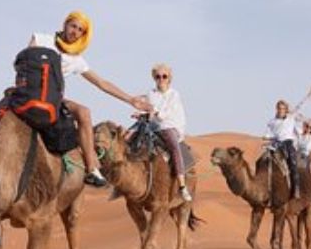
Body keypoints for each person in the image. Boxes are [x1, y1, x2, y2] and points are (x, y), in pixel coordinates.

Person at [28, 11, 152, 187]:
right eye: (73, 26)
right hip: (30, 92)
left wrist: (130, 99)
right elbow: (25, 63)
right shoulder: (41, 40)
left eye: (80, 30)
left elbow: (101, 83)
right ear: (65, 24)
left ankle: (92, 168)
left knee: (84, 112)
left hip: (53, 99)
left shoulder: (76, 60)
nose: (75, 31)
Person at [145, 63, 192, 202]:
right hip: (153, 125)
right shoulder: (151, 93)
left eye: (164, 76)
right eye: (158, 76)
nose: (161, 79)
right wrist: (141, 113)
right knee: (130, 137)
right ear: (154, 78)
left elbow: (165, 113)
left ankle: (182, 186)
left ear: (169, 78)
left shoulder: (174, 95)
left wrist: (154, 112)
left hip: (170, 125)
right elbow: (148, 107)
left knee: (174, 146)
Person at [264, 99, 301, 198]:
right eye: (279, 108)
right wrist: (267, 139)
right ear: (276, 109)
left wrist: (309, 95)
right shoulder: (272, 122)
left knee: (293, 164)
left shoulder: (291, 118)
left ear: (286, 110)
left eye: (283, 108)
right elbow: (266, 135)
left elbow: (299, 106)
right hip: (276, 144)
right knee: (262, 161)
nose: (281, 110)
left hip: (288, 143)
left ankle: (296, 190)